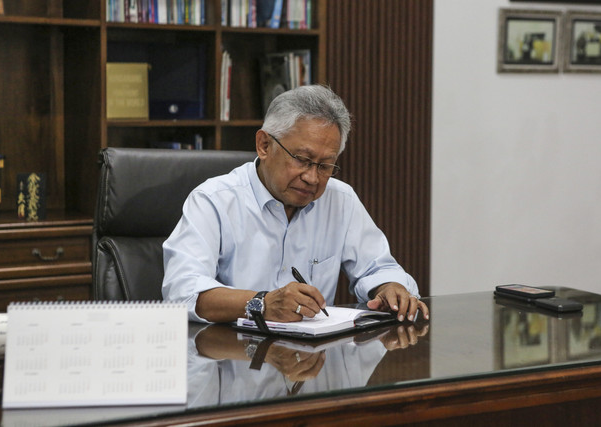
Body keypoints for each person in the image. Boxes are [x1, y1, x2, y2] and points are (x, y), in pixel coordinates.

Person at [162, 84, 429, 324]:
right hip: (234, 361)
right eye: (302, 160)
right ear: (264, 145)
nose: (312, 178)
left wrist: (389, 287)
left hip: (311, 364)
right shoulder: (214, 200)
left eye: (325, 166)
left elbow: (378, 267)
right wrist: (263, 303)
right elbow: (182, 291)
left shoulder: (340, 199)